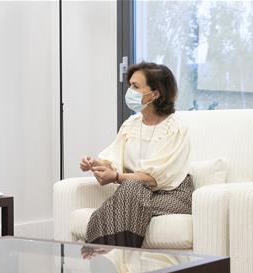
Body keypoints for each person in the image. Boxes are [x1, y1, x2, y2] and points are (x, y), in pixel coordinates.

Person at [80, 62, 192, 248]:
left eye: (135, 86)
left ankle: (102, 254)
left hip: (173, 195)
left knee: (130, 190)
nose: (129, 91)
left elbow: (154, 177)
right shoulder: (131, 124)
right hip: (135, 192)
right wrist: (96, 164)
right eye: (130, 85)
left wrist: (116, 177)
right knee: (132, 190)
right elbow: (114, 161)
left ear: (155, 94)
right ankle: (123, 259)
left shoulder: (176, 129)